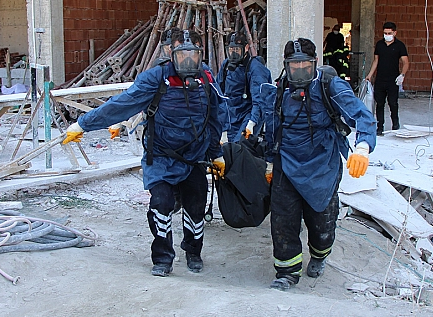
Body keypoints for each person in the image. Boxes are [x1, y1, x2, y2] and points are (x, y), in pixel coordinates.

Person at [63, 29, 225, 277]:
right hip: (161, 156)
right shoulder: (156, 79)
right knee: (161, 204)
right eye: (182, 53)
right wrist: (84, 123)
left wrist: (216, 152)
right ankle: (162, 258)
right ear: (171, 52)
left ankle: (193, 252)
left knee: (196, 205)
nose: (188, 60)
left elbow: (216, 116)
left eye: (193, 54)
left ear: (201, 54)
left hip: (195, 156)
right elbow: (123, 104)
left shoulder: (206, 79)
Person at [261, 38, 377, 290]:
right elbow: (272, 127)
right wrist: (270, 161)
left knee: (321, 221)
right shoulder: (279, 89)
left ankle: (319, 255)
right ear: (286, 66)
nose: (300, 70)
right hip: (287, 163)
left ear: (315, 64)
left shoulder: (330, 86)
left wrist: (363, 148)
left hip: (321, 163)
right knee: (282, 220)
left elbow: (362, 116)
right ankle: (287, 272)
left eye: (306, 64)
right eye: (294, 65)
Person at [216, 32, 272, 142]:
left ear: (246, 48)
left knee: (240, 148)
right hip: (230, 115)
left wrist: (252, 122)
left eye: (237, 50)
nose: (233, 54)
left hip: (248, 113)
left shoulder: (255, 68)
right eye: (231, 50)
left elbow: (259, 100)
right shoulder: (226, 65)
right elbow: (219, 93)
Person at [366, 21, 409, 136]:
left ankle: (395, 124)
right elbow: (376, 60)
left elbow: (405, 62)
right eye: (385, 33)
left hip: (393, 80)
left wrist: (402, 75)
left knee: (393, 103)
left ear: (394, 33)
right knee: (379, 104)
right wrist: (370, 75)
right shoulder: (379, 45)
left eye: (389, 33)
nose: (387, 35)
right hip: (380, 79)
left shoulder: (400, 46)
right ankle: (380, 127)